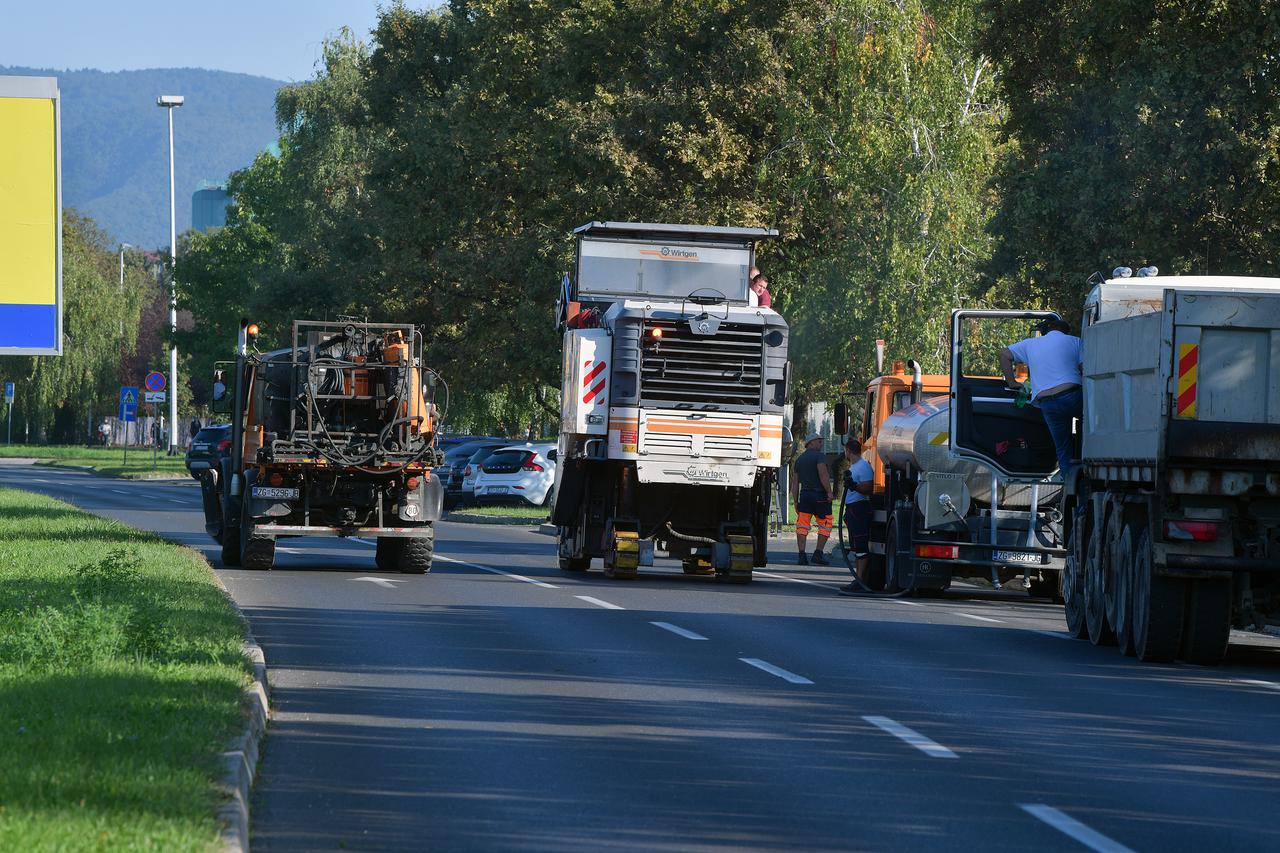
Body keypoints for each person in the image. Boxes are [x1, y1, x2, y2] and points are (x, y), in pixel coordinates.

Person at [999, 318, 1083, 478]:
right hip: (1071, 395)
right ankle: (1088, 465)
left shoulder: (1030, 344)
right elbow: (1085, 369)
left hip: (1047, 403)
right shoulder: (1075, 342)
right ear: (1065, 330)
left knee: (1062, 448)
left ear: (1047, 330)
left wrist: (1012, 382)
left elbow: (1004, 354)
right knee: (1091, 427)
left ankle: (1069, 488)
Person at [837, 438, 874, 594]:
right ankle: (859, 579)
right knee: (857, 546)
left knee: (861, 545)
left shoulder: (863, 467)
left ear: (848, 451)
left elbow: (868, 488)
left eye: (845, 450)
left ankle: (860, 580)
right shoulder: (855, 466)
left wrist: (854, 486)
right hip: (853, 509)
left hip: (859, 509)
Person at [791, 431, 833, 565]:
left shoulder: (799, 460)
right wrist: (829, 492)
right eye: (819, 441)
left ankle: (802, 555)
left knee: (802, 526)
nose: (821, 443)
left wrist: (796, 501)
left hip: (805, 497)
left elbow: (795, 483)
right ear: (811, 443)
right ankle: (818, 554)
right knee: (825, 524)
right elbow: (823, 475)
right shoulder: (820, 457)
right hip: (820, 496)